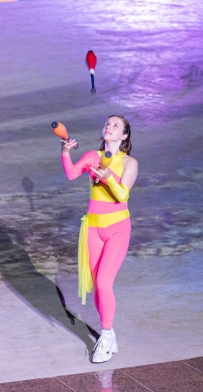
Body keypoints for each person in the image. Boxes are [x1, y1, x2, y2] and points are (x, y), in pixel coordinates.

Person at [59, 115, 138, 363]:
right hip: (93, 228)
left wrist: (108, 176)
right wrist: (65, 153)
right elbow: (72, 174)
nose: (109, 127)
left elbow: (122, 195)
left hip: (117, 229)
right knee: (97, 286)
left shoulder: (130, 162)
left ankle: (104, 335)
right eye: (107, 123)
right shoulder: (93, 156)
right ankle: (109, 332)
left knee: (104, 283)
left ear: (124, 135)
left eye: (116, 125)